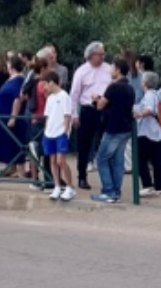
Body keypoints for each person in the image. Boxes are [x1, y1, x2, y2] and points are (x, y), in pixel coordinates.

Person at [70, 41, 113, 190]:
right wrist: (74, 115)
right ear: (91, 55)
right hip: (88, 110)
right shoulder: (82, 71)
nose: (102, 57)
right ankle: (82, 176)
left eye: (103, 54)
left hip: (106, 109)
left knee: (107, 144)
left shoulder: (109, 69)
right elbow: (74, 94)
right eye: (99, 54)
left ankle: (107, 179)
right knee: (84, 145)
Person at [92, 58, 134, 203]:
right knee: (118, 160)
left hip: (113, 128)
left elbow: (100, 105)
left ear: (117, 70)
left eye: (112, 68)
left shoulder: (113, 87)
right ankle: (116, 191)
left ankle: (109, 191)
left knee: (101, 159)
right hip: (126, 127)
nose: (110, 70)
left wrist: (95, 99)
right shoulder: (130, 88)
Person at [41, 71, 75, 202]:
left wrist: (65, 131)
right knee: (53, 161)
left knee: (61, 161)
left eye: (45, 84)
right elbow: (47, 116)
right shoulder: (50, 98)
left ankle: (69, 187)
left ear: (51, 83)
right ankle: (57, 186)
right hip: (50, 133)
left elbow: (67, 115)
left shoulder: (64, 96)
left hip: (60, 133)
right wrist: (46, 130)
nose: (44, 87)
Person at [134, 71, 161, 196]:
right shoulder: (158, 95)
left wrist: (139, 114)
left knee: (141, 159)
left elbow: (149, 109)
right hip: (158, 131)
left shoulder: (149, 95)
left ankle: (147, 185)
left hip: (146, 132)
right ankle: (159, 186)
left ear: (145, 83)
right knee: (157, 160)